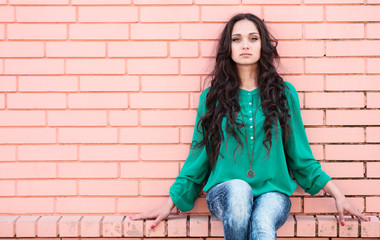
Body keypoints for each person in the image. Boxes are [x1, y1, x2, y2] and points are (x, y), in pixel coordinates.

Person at [129, 13, 369, 240]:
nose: (245, 45)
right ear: (228, 48)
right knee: (239, 190)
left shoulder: (284, 95)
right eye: (237, 39)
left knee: (263, 222)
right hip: (225, 193)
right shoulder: (211, 98)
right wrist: (170, 203)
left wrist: (337, 194)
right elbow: (198, 157)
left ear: (262, 45)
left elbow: (301, 156)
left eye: (253, 39)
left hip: (273, 194)